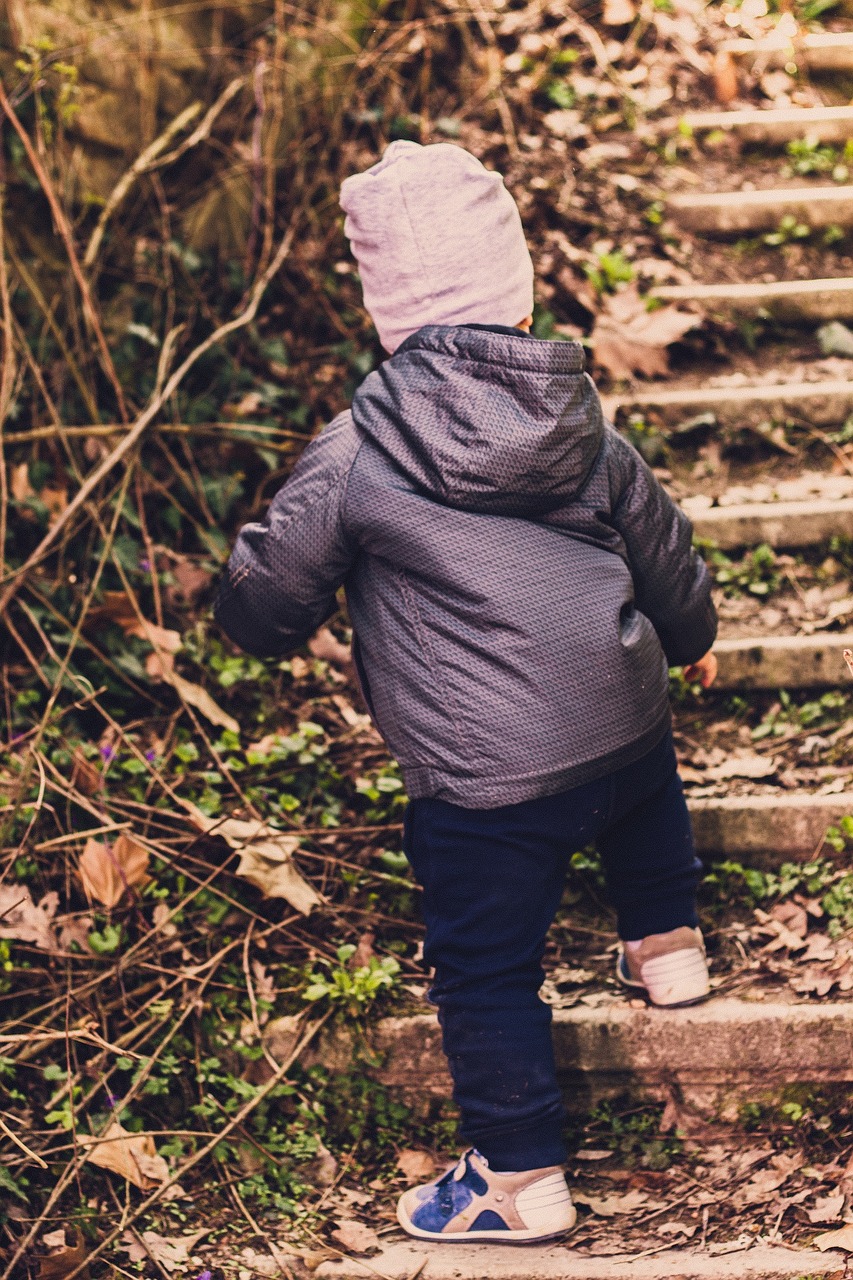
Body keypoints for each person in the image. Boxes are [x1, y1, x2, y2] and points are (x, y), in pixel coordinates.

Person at [215, 140, 718, 1245]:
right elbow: (662, 547)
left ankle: (520, 1172)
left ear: (382, 304)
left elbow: (267, 600)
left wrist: (242, 604)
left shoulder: (357, 450)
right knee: (642, 783)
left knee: (484, 961)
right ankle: (666, 942)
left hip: (484, 778)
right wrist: (690, 637)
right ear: (520, 285)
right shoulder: (582, 420)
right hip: (623, 725)